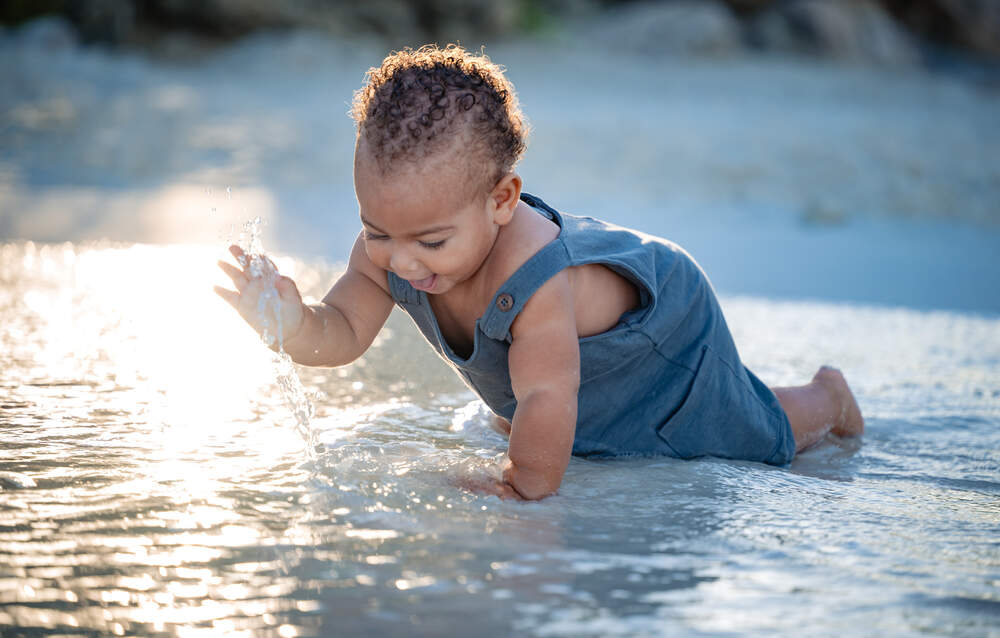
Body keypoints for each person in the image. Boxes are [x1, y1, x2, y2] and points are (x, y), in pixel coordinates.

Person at [216, 44, 863, 501]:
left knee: (745, 431)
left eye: (431, 240)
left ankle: (826, 398)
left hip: (660, 330)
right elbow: (342, 335)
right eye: (377, 231)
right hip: (572, 360)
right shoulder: (391, 251)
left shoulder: (532, 281)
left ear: (501, 201)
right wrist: (290, 320)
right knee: (544, 401)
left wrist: (524, 482)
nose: (402, 261)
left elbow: (550, 396)